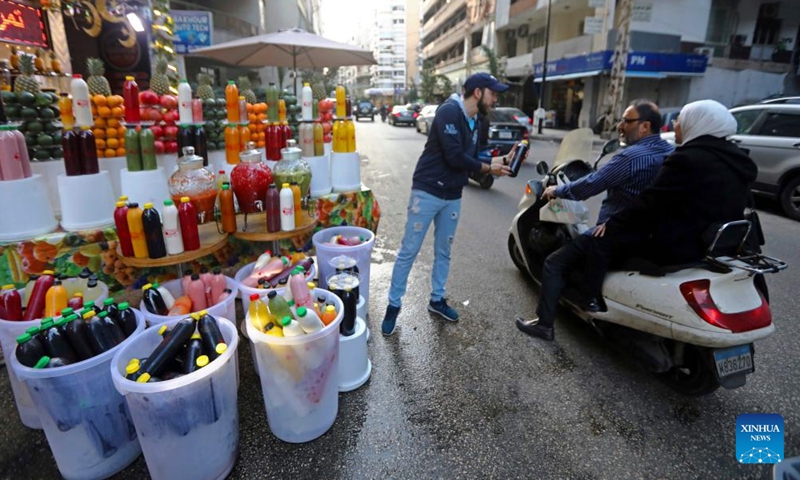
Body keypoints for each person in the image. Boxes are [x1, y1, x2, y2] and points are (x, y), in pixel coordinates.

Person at [516, 99, 674, 341]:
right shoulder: (669, 152)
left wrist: (557, 191)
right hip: (650, 233)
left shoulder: (632, 157)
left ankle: (545, 324)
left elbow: (592, 185)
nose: (620, 125)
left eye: (626, 120)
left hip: (615, 232)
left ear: (645, 127)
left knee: (554, 263)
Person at [577, 99, 758, 303]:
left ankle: (589, 299)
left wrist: (611, 224)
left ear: (696, 124)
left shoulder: (686, 158)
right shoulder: (738, 158)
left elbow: (651, 201)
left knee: (601, 241)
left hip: (681, 244)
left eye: (680, 120)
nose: (675, 125)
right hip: (718, 243)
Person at [381, 73, 516, 336]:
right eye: (493, 93)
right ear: (478, 92)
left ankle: (437, 300)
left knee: (444, 250)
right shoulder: (448, 112)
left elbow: (474, 156)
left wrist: (502, 160)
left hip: (453, 194)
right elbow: (455, 157)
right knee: (409, 250)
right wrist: (488, 168)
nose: (496, 98)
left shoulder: (476, 120)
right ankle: (393, 305)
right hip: (428, 190)